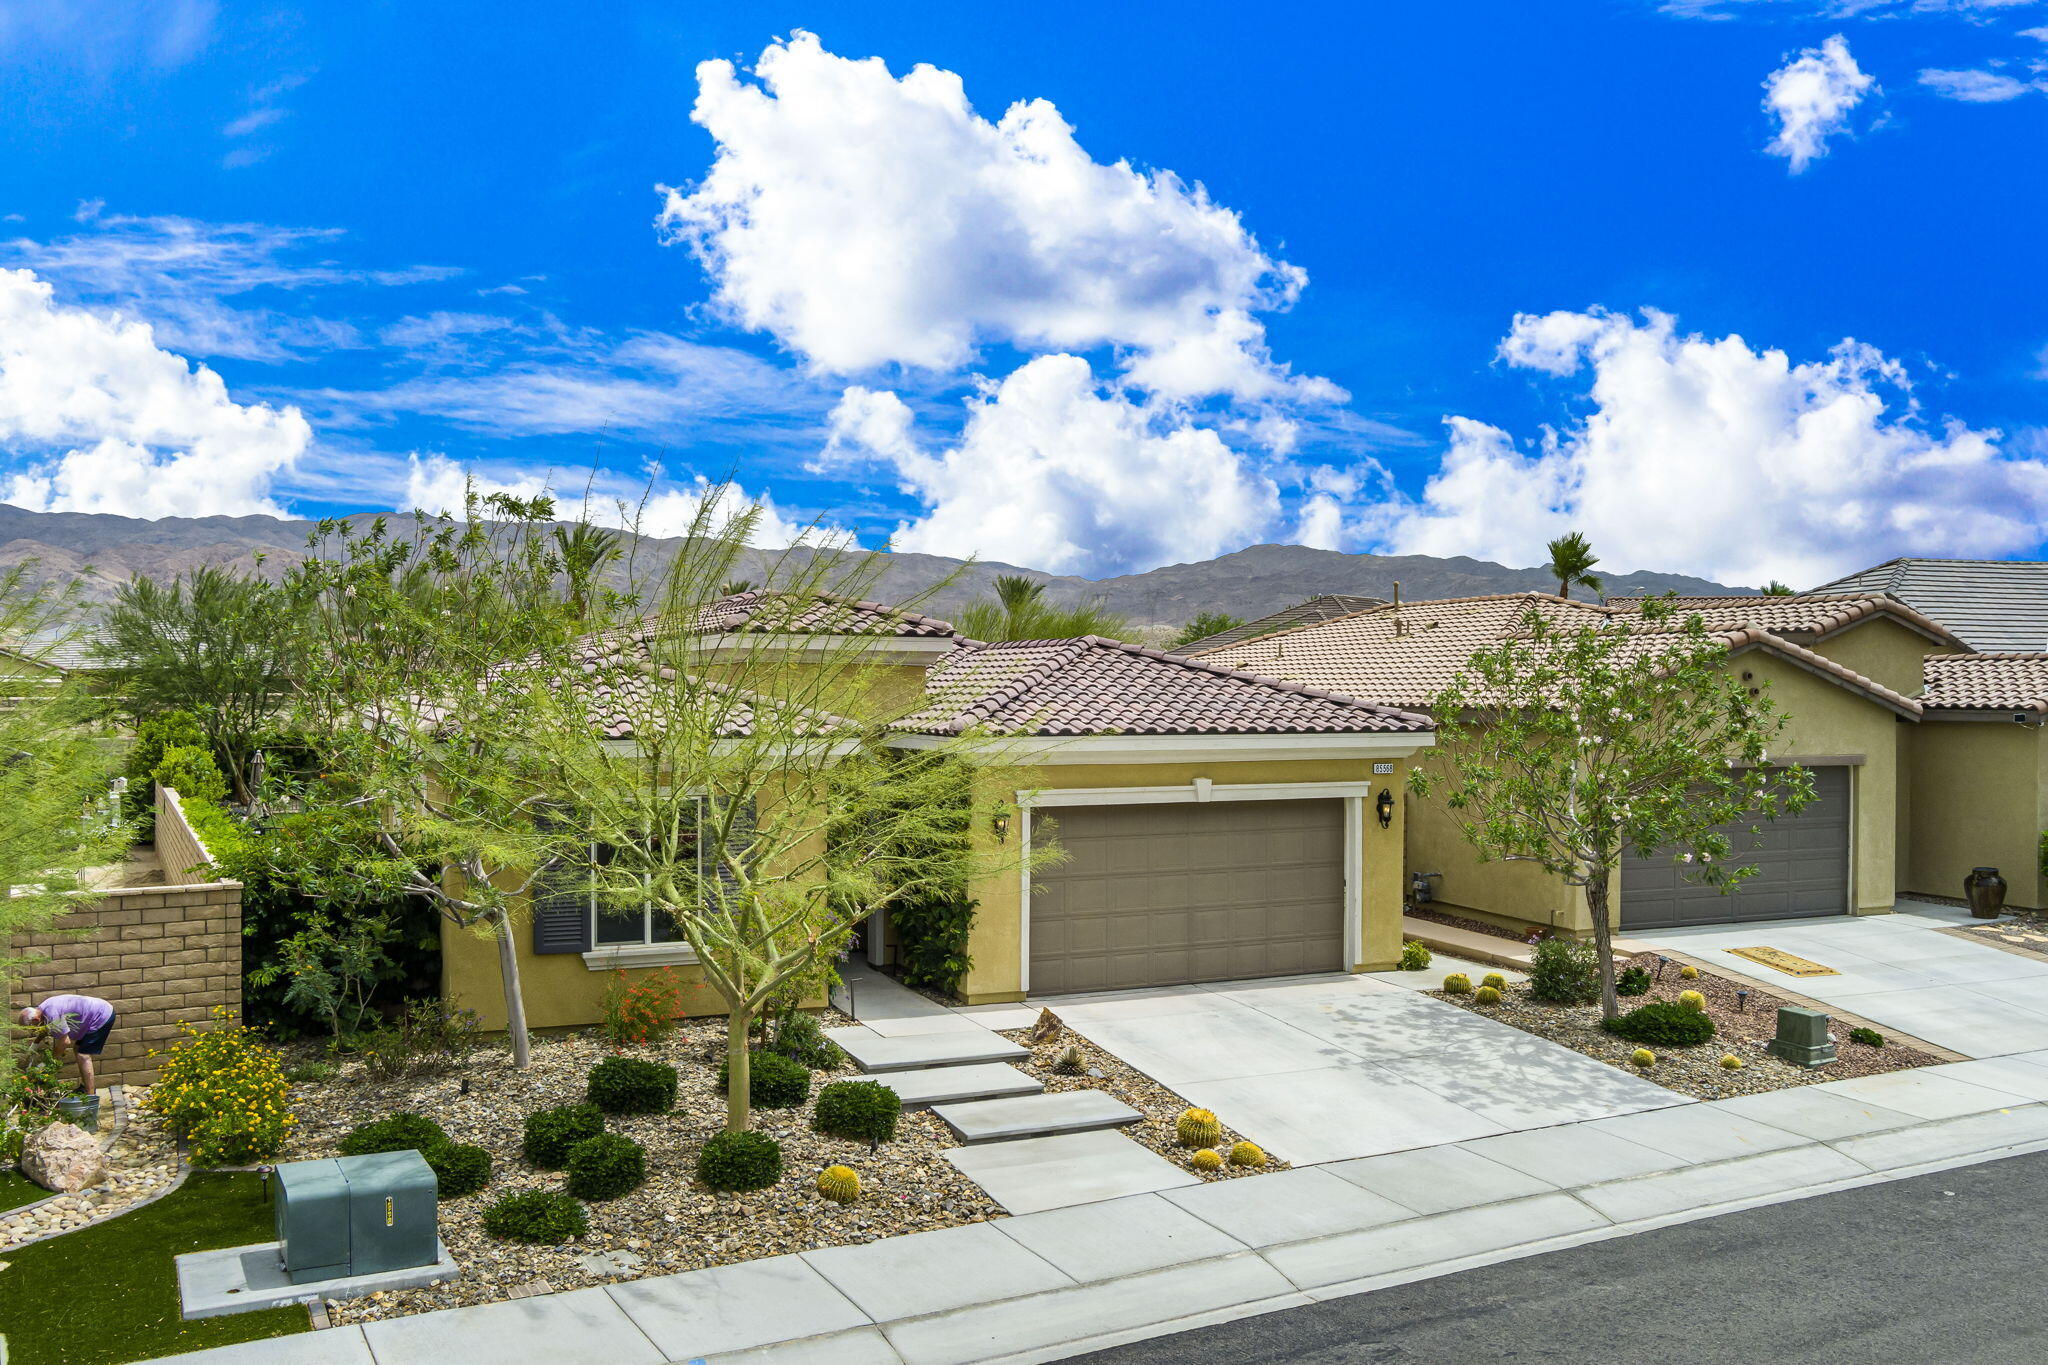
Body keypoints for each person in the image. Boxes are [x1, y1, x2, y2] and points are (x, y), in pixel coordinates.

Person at [16, 993, 116, 1095]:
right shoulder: (42, 1009)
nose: (34, 1030)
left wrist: (48, 1063)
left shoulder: (51, 1014)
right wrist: (35, 1044)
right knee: (77, 1049)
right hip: (98, 1009)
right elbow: (45, 1027)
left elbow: (65, 1041)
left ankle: (90, 1097)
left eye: (33, 1027)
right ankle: (85, 1087)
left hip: (101, 1015)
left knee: (83, 1055)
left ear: (35, 1019)